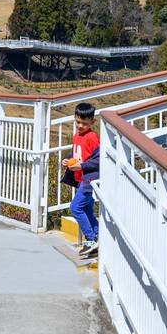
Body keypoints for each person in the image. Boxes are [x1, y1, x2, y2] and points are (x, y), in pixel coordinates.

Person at [62, 102, 100, 256]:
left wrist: (82, 166)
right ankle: (98, 236)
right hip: (80, 180)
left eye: (84, 123)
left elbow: (98, 160)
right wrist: (68, 160)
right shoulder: (77, 135)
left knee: (75, 208)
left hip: (89, 181)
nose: (80, 126)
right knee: (86, 210)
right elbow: (76, 154)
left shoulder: (92, 137)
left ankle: (90, 239)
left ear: (92, 122)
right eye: (78, 122)